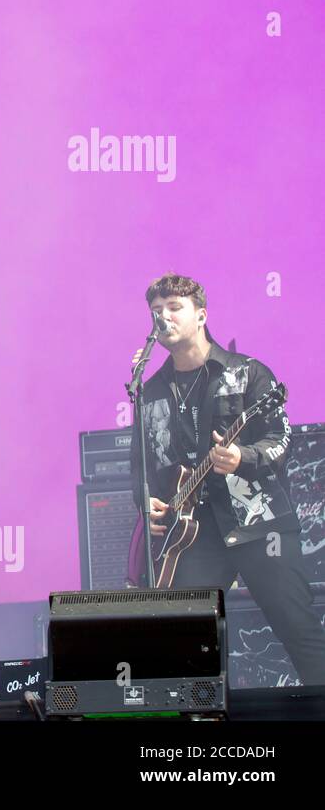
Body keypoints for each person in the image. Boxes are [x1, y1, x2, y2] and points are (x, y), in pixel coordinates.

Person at [128, 272, 325, 685]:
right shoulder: (152, 392)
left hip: (257, 526)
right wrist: (145, 501)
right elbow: (139, 466)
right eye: (156, 311)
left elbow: (281, 440)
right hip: (194, 537)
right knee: (184, 643)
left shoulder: (248, 373)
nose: (164, 317)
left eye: (174, 308)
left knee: (301, 632)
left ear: (201, 315)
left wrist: (243, 456)